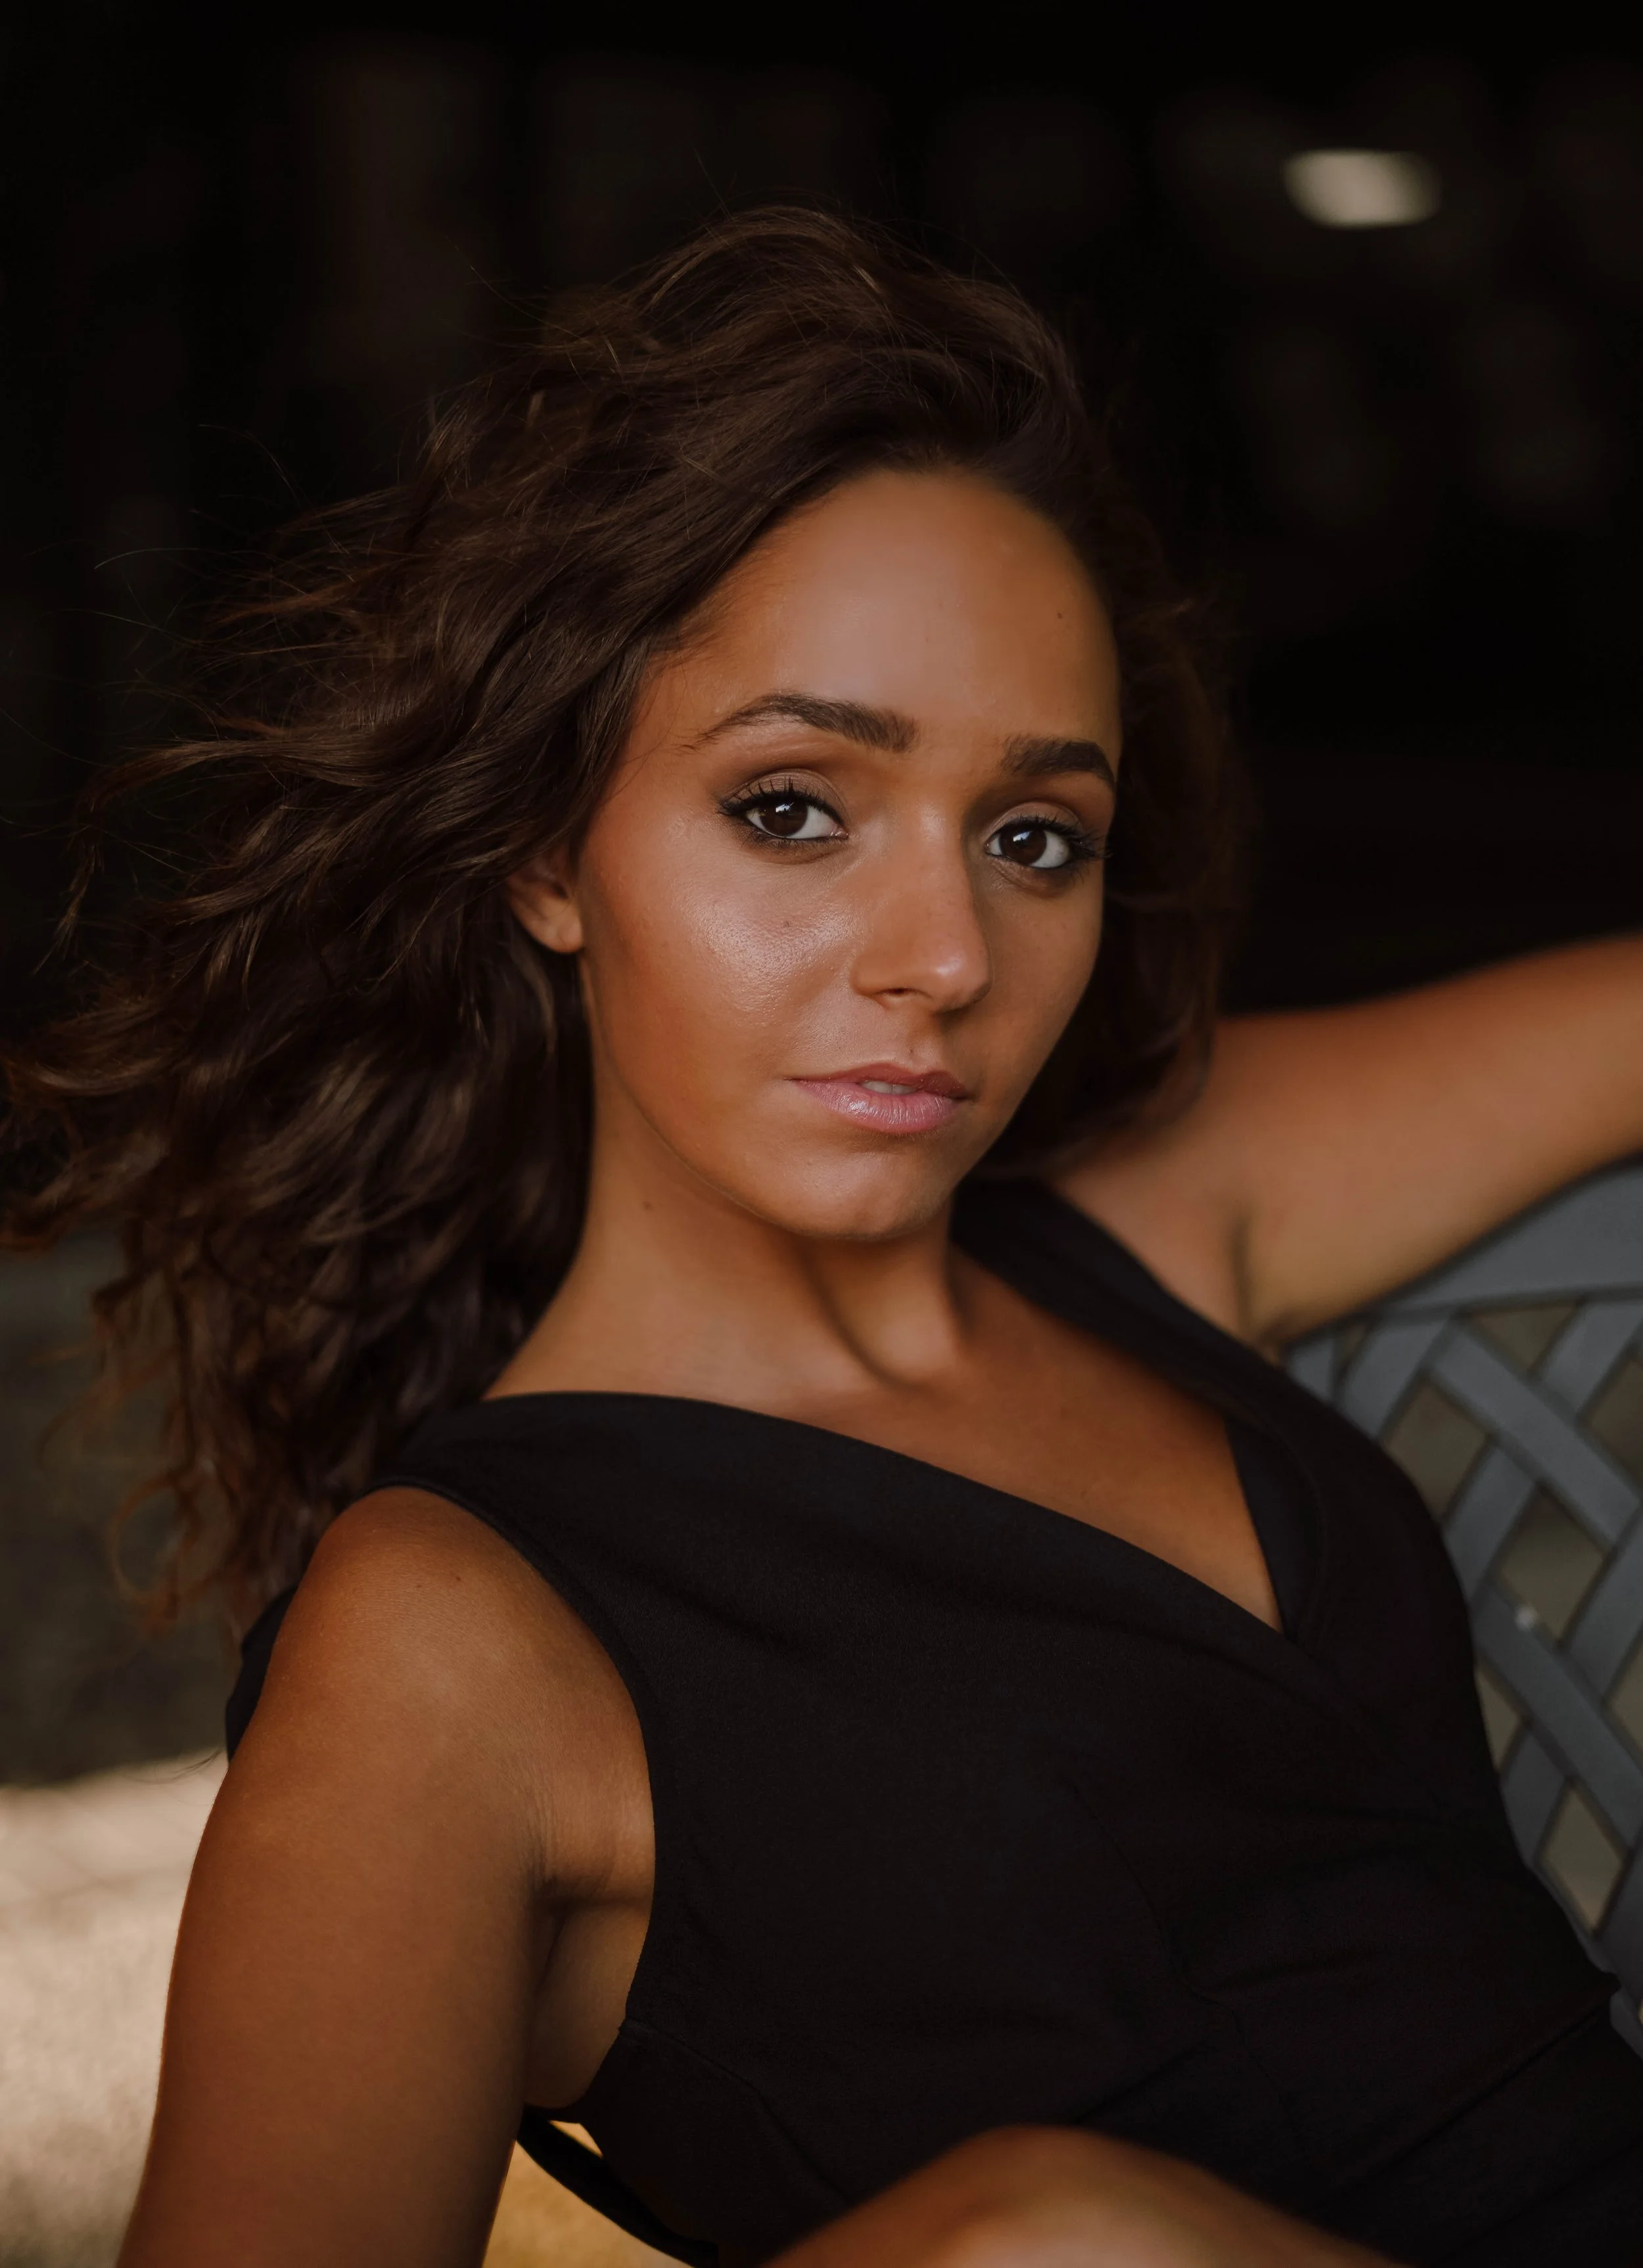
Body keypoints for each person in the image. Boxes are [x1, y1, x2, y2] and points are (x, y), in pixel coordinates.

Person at [5, 209, 1642, 2268]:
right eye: (792, 807)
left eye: (1031, 834)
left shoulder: (1135, 1209)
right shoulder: (445, 1645)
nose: (946, 956)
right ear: (541, 847)